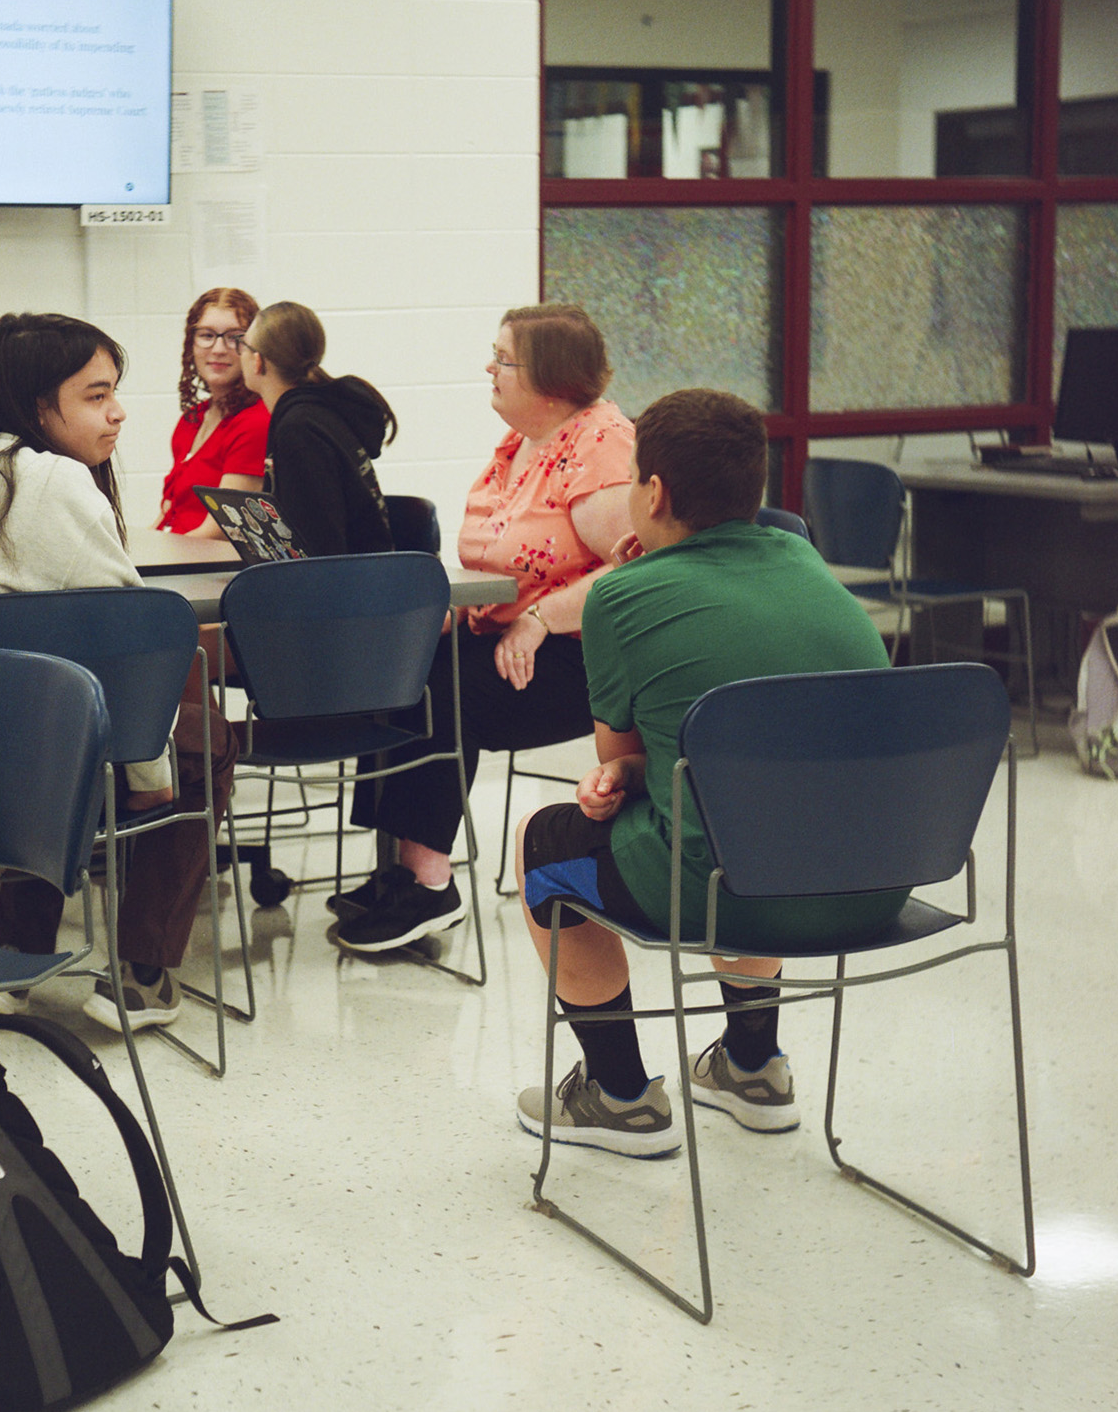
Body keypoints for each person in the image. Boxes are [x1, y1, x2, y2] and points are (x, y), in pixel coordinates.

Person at [512, 387, 904, 1156]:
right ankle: (753, 1066)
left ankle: (619, 1094)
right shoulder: (802, 557)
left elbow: (618, 758)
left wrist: (620, 773)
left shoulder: (619, 597)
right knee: (764, 812)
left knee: (544, 846)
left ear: (652, 492)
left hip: (733, 888)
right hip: (882, 876)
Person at [0, 312, 237, 1033]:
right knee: (202, 735)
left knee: (48, 718)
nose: (118, 412)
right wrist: (151, 783)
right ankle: (144, 977)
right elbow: (138, 646)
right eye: (96, 395)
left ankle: (13, 956)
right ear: (35, 409)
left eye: (115, 391)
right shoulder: (52, 480)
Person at [333, 304, 634, 954]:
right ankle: (397, 865)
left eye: (503, 359)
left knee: (440, 687)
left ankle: (430, 881)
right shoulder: (521, 441)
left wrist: (537, 619)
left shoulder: (601, 444)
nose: (489, 369)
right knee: (405, 665)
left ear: (551, 376)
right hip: (505, 635)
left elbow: (634, 571)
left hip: (580, 656)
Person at [238, 302, 397, 556]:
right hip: (365, 577)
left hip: (351, 586)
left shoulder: (299, 430)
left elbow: (316, 549)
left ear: (258, 361)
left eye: (242, 345)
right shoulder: (319, 412)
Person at [155, 287, 265, 537]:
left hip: (212, 567)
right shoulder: (191, 419)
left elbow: (221, 528)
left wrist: (154, 562)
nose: (218, 349)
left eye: (234, 337)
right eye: (206, 335)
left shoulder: (256, 422)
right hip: (178, 554)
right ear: (191, 343)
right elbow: (168, 513)